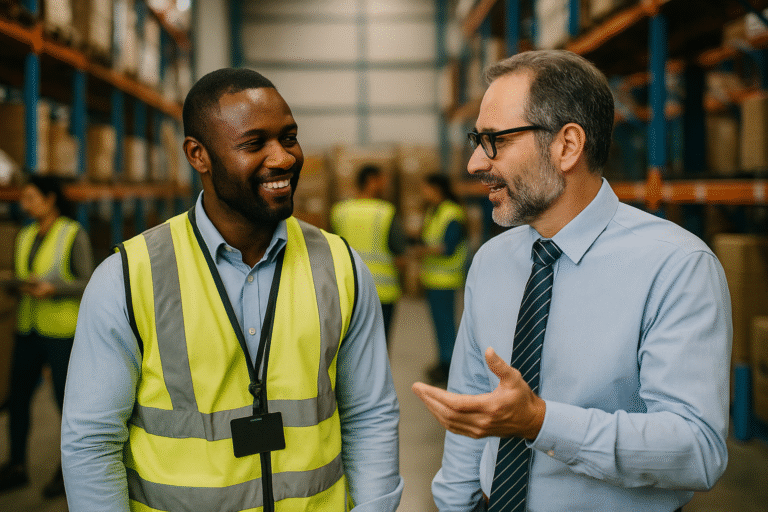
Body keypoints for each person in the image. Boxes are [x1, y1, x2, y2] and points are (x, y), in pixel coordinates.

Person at [61, 68, 403, 511]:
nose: (283, 158)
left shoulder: (340, 267)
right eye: (254, 143)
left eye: (289, 137)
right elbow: (91, 443)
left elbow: (370, 415)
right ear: (198, 155)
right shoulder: (127, 278)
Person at [412, 50, 732, 511]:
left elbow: (697, 450)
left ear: (567, 146)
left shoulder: (675, 266)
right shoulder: (491, 262)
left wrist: (541, 422)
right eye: (475, 141)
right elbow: (471, 409)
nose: (474, 164)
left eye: (493, 140)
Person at [0, 175, 93, 499]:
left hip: (62, 332)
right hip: (28, 328)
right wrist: (16, 282)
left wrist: (54, 289)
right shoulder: (25, 234)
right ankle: (16, 465)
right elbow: (28, 274)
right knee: (20, 399)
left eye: (30, 197)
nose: (24, 204)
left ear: (50, 198)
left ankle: (70, 472)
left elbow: (87, 280)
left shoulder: (71, 233)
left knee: (67, 406)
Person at [330, 164, 406, 343]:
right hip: (383, 294)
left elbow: (331, 249)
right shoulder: (386, 212)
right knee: (379, 346)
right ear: (372, 181)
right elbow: (400, 256)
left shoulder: (339, 211)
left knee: (351, 346)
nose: (385, 185)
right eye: (382, 180)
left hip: (348, 291)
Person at [413, 173, 468, 385]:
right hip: (433, 279)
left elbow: (448, 248)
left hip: (445, 280)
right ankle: (444, 361)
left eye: (426, 188)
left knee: (445, 325)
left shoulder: (451, 213)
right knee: (439, 324)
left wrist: (422, 251)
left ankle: (450, 365)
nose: (423, 193)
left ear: (436, 189)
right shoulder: (434, 211)